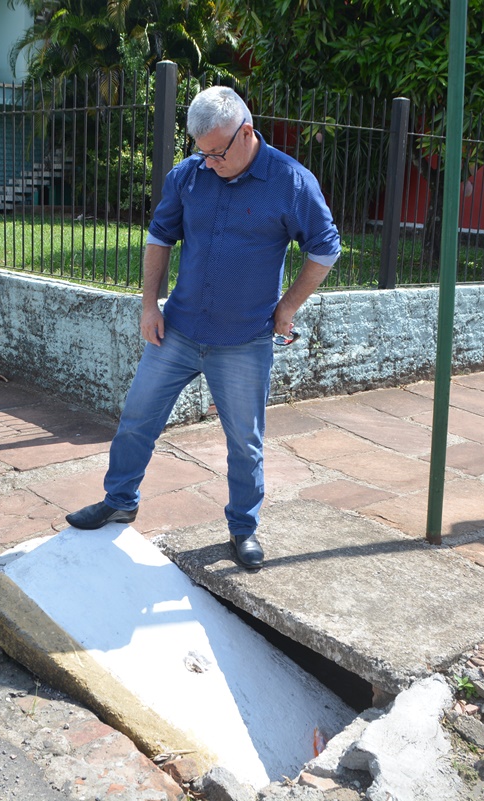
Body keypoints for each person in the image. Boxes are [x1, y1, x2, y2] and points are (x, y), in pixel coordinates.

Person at [66, 86, 340, 570]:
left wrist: (287, 309)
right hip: (179, 331)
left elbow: (325, 248)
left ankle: (242, 529)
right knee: (136, 419)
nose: (209, 162)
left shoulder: (291, 182)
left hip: (245, 340)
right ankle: (119, 500)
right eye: (202, 153)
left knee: (244, 443)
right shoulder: (188, 176)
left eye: (217, 152)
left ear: (247, 133)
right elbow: (158, 238)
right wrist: (149, 305)